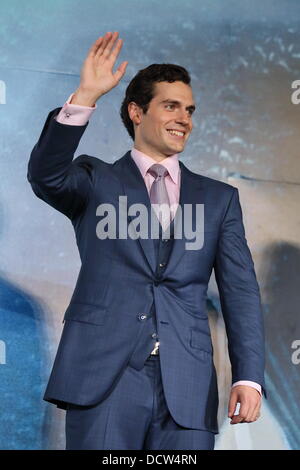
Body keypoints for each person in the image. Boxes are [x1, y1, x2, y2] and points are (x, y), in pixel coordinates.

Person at [27, 31, 267, 450]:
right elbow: (45, 175)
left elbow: (240, 292)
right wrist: (85, 95)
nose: (184, 118)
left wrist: (248, 376)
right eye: (171, 106)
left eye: (189, 110)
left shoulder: (219, 199)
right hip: (103, 379)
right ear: (136, 112)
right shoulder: (94, 180)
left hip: (187, 384)